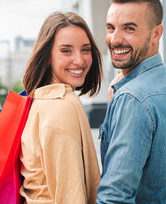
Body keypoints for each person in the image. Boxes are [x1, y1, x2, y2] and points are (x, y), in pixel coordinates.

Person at [97, 0, 166, 203]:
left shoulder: (132, 99)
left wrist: (125, 98)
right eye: (111, 28)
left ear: (156, 34)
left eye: (129, 29)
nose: (115, 39)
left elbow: (115, 197)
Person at [20, 12, 102, 203]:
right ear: (47, 56)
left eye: (85, 49)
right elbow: (70, 195)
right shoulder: (62, 106)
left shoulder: (39, 100)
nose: (79, 60)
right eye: (66, 50)